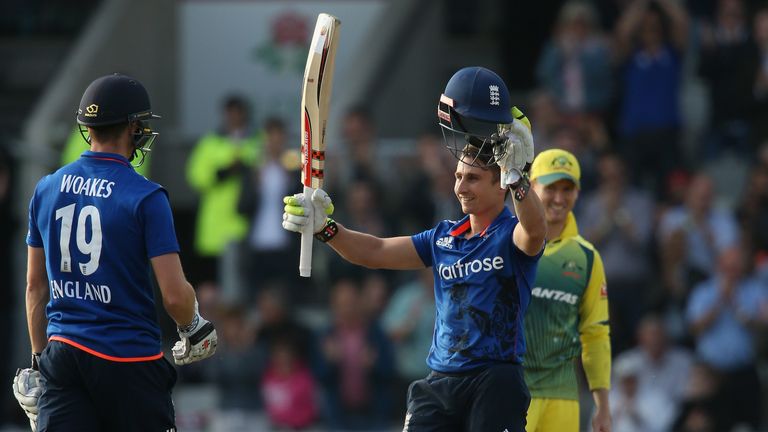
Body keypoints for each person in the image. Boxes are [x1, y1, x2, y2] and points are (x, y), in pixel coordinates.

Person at [283, 66, 547, 431]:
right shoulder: (443, 238)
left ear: (498, 185)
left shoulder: (510, 233)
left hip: (494, 379)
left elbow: (535, 232)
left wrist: (518, 178)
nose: (460, 187)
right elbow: (374, 251)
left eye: (472, 178)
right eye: (457, 176)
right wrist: (326, 228)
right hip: (440, 380)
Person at [12, 73, 217, 431]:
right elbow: (173, 294)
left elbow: (35, 287)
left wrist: (39, 361)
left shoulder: (46, 188)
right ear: (133, 127)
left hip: (63, 355)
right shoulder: (146, 196)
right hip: (128, 359)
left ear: (86, 128)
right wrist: (193, 326)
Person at [523, 149, 611, 432]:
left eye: (567, 189)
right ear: (531, 187)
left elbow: (595, 333)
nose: (559, 198)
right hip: (510, 391)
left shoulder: (587, 258)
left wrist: (603, 406)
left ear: (578, 193)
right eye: (550, 188)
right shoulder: (506, 243)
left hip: (562, 397)